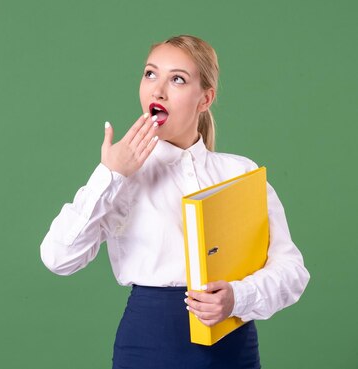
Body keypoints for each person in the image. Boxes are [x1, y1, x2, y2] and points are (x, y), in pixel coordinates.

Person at [39, 35, 310, 369]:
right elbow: (58, 258)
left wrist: (237, 297)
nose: (158, 90)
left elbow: (292, 272)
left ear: (205, 99)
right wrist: (109, 175)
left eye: (177, 79)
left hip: (233, 345)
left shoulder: (241, 173)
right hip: (150, 345)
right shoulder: (123, 178)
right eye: (150, 74)